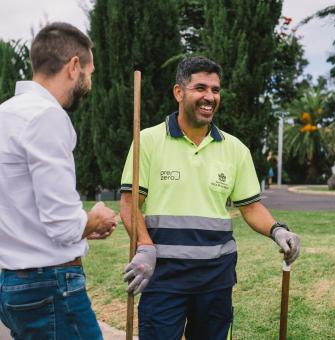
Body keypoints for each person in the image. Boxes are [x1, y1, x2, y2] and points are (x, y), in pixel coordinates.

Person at [120, 56, 300, 340]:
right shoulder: (148, 141)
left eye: (215, 90)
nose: (209, 97)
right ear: (179, 92)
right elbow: (130, 203)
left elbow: (251, 207)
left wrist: (277, 230)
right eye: (200, 88)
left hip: (216, 279)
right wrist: (144, 246)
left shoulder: (235, 149)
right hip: (164, 276)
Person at [0, 22, 116, 340]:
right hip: (50, 286)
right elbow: (63, 224)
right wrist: (95, 219)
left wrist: (86, 227)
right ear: (74, 66)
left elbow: (23, 212)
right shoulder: (46, 116)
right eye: (89, 74)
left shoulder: (5, 115)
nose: (89, 83)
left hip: (12, 285)